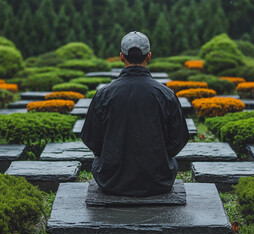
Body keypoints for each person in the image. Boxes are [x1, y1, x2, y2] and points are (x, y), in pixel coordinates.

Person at [81, 31, 189, 197]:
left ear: (121, 57)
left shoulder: (103, 95)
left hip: (111, 180)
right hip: (158, 180)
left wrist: (113, 152)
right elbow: (178, 140)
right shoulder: (166, 94)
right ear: (149, 56)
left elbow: (91, 140)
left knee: (97, 162)